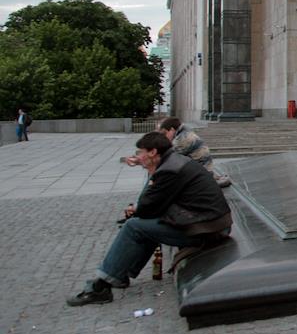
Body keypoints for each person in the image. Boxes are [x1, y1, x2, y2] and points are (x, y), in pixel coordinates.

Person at [67, 131, 232, 306]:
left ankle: (101, 287)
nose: (138, 157)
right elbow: (152, 206)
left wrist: (152, 174)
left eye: (140, 153)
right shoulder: (175, 162)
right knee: (144, 226)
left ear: (153, 152)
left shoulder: (169, 170)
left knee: (133, 226)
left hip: (206, 229)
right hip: (210, 223)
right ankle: (119, 273)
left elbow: (146, 208)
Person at [158, 117, 231, 188]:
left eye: (165, 133)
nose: (164, 137)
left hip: (201, 174)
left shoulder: (182, 139)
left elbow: (169, 161)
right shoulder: (185, 131)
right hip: (204, 169)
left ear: (172, 130)